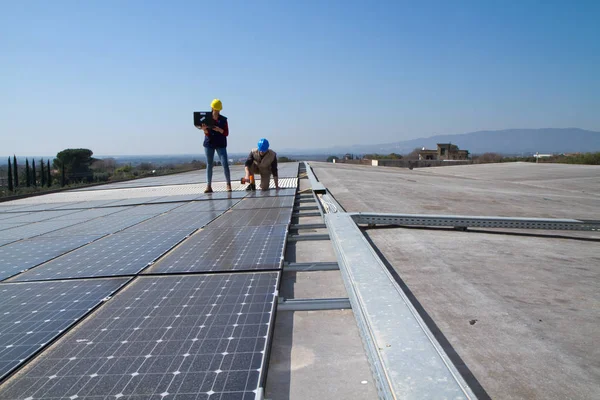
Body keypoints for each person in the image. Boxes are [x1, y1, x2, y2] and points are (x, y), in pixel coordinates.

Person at [201, 99, 231, 193]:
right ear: (212, 108)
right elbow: (207, 134)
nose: (217, 111)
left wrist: (219, 129)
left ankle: (228, 184)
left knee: (224, 164)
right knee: (209, 165)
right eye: (215, 109)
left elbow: (226, 133)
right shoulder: (206, 119)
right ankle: (208, 186)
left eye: (218, 109)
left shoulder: (223, 120)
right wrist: (204, 130)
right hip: (209, 143)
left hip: (220, 144)